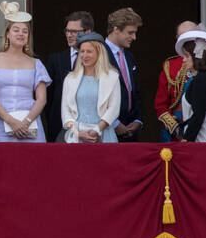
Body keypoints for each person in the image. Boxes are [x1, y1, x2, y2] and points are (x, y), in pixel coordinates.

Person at [0, 2, 51, 142]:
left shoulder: (36, 64)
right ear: (7, 34)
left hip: (30, 127)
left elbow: (42, 99)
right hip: (2, 126)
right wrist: (11, 121)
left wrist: (26, 122)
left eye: (25, 31)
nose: (21, 34)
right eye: (16, 30)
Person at [59, 33, 120, 144]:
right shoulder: (70, 78)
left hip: (104, 136)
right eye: (82, 51)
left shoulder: (112, 77)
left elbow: (114, 109)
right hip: (77, 138)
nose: (84, 55)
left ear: (99, 53)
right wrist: (78, 133)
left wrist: (97, 130)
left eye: (89, 51)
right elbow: (65, 111)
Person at [42, 11, 92, 143]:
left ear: (88, 32)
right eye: (67, 31)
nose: (69, 35)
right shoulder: (55, 60)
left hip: (91, 128)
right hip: (60, 128)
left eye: (74, 31)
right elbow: (48, 97)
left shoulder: (99, 60)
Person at [155, 20, 200, 141]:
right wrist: (175, 128)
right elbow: (160, 105)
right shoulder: (170, 65)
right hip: (175, 128)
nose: (186, 42)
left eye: (190, 37)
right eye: (182, 38)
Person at [177, 30, 206, 142]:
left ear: (196, 57)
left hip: (204, 141)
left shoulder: (201, 80)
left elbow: (198, 115)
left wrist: (186, 140)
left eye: (187, 56)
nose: (183, 60)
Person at [104, 8, 143, 141]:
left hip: (130, 131)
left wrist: (138, 120)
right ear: (116, 29)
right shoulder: (99, 54)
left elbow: (135, 91)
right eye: (130, 33)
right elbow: (96, 94)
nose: (134, 37)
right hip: (107, 130)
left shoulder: (129, 56)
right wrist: (114, 123)